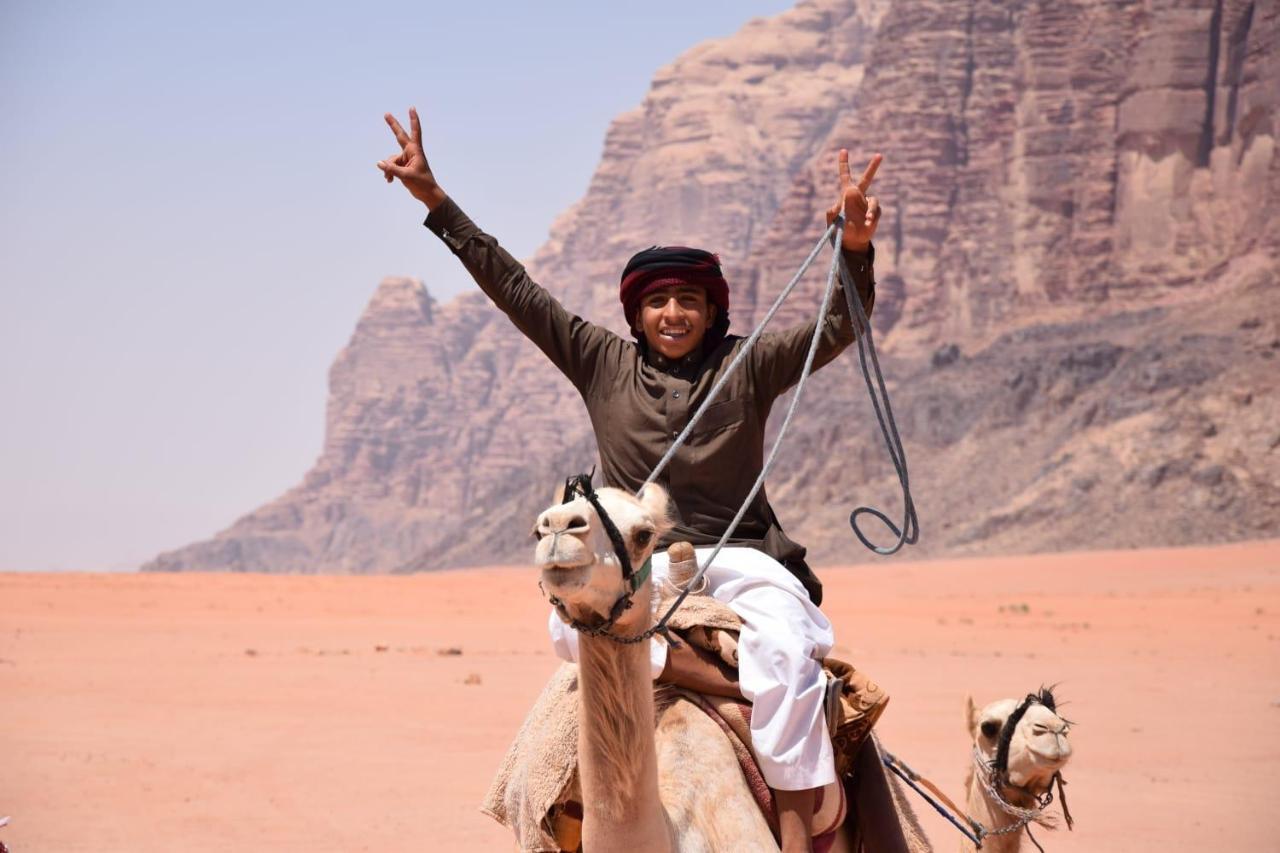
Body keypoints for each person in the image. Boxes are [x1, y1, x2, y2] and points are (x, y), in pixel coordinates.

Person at [379, 107, 883, 853]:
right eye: (657, 301)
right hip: (637, 558)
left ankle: (792, 819)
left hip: (739, 554)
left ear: (712, 309)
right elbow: (515, 289)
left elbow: (837, 327)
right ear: (636, 312)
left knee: (786, 652)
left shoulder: (747, 364)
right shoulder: (599, 361)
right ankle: (702, 692)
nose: (673, 313)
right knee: (573, 627)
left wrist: (855, 245)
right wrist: (436, 201)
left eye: (688, 300)